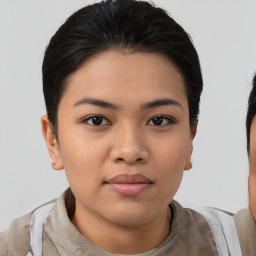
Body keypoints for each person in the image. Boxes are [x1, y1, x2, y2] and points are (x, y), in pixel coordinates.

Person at [0, 0, 255, 255]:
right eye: (96, 120)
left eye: (159, 120)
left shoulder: (243, 243)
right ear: (52, 140)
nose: (130, 150)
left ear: (190, 138)